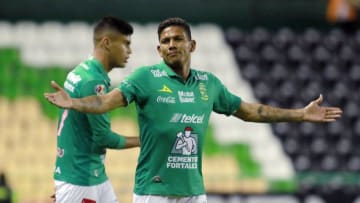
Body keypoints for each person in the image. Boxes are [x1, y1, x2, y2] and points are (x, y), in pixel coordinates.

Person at [44, 17, 343, 203]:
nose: (171, 45)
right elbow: (106, 101)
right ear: (159, 50)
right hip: (153, 192)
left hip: (193, 191)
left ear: (192, 45)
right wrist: (74, 103)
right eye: (165, 41)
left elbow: (253, 111)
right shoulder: (145, 78)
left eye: (177, 39)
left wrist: (300, 114)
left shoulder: (209, 84)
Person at [50, 16, 140, 203]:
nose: (129, 51)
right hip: (81, 179)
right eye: (125, 44)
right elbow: (103, 137)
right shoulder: (93, 81)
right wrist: (143, 140)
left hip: (91, 175)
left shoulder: (82, 71)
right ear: (106, 43)